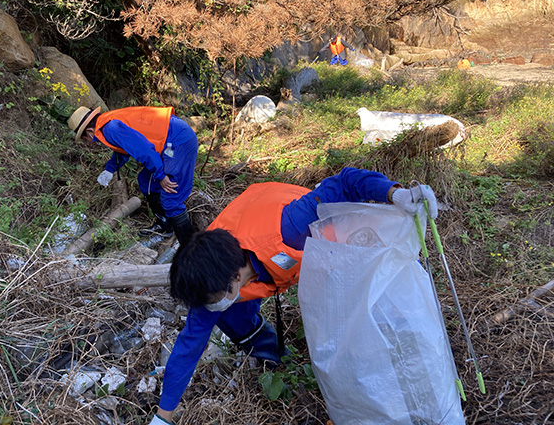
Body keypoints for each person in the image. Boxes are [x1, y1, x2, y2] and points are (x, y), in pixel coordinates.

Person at [148, 167, 438, 424]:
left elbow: (345, 182)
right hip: (252, 234)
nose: (210, 306)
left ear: (236, 278)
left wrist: (394, 193)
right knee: (229, 316)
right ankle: (271, 354)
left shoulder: (294, 227)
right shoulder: (210, 284)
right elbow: (188, 348)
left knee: (348, 312)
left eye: (214, 300)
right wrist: (163, 417)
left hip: (285, 220)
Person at [68, 105, 198, 246]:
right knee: (145, 180)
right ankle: (165, 225)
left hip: (178, 142)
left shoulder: (111, 128)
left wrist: (161, 176)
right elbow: (124, 149)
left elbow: (145, 151)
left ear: (90, 131)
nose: (88, 142)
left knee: (171, 196)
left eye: (85, 139)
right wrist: (110, 169)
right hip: (168, 141)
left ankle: (190, 246)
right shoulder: (107, 125)